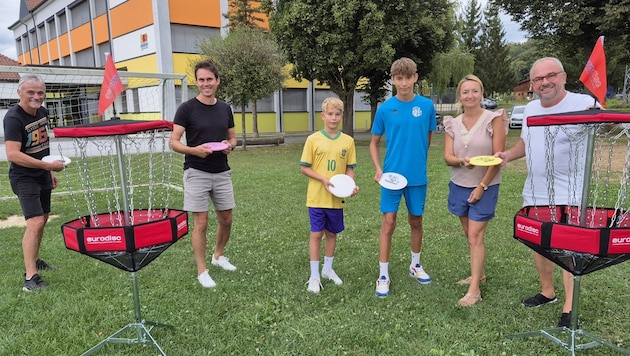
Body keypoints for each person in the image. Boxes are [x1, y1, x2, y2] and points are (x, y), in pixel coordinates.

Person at [496, 57, 596, 327]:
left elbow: (608, 126)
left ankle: (568, 308)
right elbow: (527, 143)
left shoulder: (582, 104)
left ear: (563, 77)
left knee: (567, 246)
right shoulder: (530, 109)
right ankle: (547, 291)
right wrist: (507, 155)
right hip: (537, 189)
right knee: (540, 243)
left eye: (550, 76)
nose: (545, 82)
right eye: (538, 79)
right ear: (532, 84)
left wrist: (599, 117)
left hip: (572, 192)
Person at [369, 57, 437, 298]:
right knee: (388, 223)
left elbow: (427, 140)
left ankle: (415, 265)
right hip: (391, 178)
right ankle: (383, 275)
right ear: (393, 80)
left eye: (408, 77)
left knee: (416, 221)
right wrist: (379, 169)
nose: (404, 82)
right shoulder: (385, 109)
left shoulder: (427, 106)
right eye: (399, 78)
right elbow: (374, 144)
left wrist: (416, 161)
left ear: (415, 77)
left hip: (417, 177)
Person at [170, 59, 238, 288]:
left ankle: (218, 256)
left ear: (217, 81)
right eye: (201, 80)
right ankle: (202, 271)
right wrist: (194, 151)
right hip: (196, 170)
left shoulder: (225, 108)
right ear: (196, 82)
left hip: (221, 170)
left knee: (226, 218)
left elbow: (233, 138)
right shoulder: (187, 109)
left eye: (210, 79)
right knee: (201, 222)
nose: (206, 83)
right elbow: (174, 142)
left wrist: (230, 145)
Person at [443, 74, 507, 306]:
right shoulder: (453, 122)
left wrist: (482, 186)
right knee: (469, 235)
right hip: (459, 184)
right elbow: (448, 157)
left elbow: (498, 158)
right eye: (465, 92)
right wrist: (461, 161)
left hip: (485, 186)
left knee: (475, 235)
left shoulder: (494, 118)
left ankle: (474, 290)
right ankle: (478, 273)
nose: (470, 96)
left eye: (475, 91)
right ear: (459, 96)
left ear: (481, 93)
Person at [4, 74, 65, 291]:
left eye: (40, 92)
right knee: (36, 221)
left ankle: (36, 260)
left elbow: (43, 146)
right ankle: (30, 278)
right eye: (31, 92)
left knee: (44, 217)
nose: (36, 96)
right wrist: (47, 167)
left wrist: (48, 172)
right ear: (20, 93)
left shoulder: (43, 112)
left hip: (41, 174)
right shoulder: (13, 118)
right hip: (24, 177)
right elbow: (12, 154)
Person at [300, 97, 359, 294]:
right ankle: (314, 275)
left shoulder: (348, 141)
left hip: (336, 198)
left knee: (332, 234)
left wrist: (350, 186)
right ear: (323, 116)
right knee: (316, 234)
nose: (334, 118)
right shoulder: (313, 139)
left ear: (342, 116)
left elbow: (350, 169)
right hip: (316, 196)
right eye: (330, 114)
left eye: (337, 114)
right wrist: (323, 180)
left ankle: (327, 269)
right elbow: (304, 168)